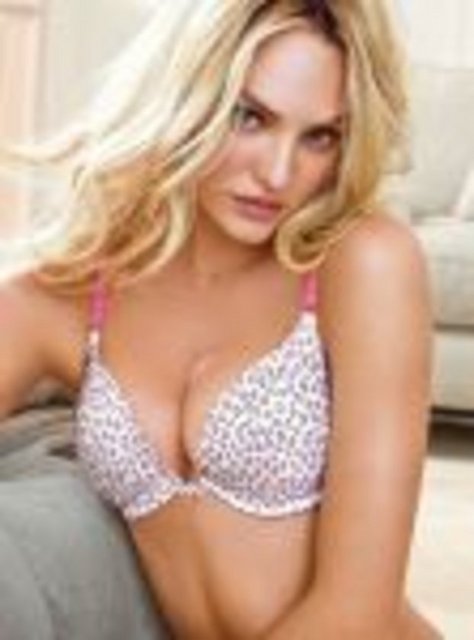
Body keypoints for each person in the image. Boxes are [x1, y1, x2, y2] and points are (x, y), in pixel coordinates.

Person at [0, 0, 443, 638]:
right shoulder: (68, 299)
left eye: (320, 136)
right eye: (249, 117)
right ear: (186, 98)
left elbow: (357, 608)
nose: (278, 173)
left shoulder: (363, 265)